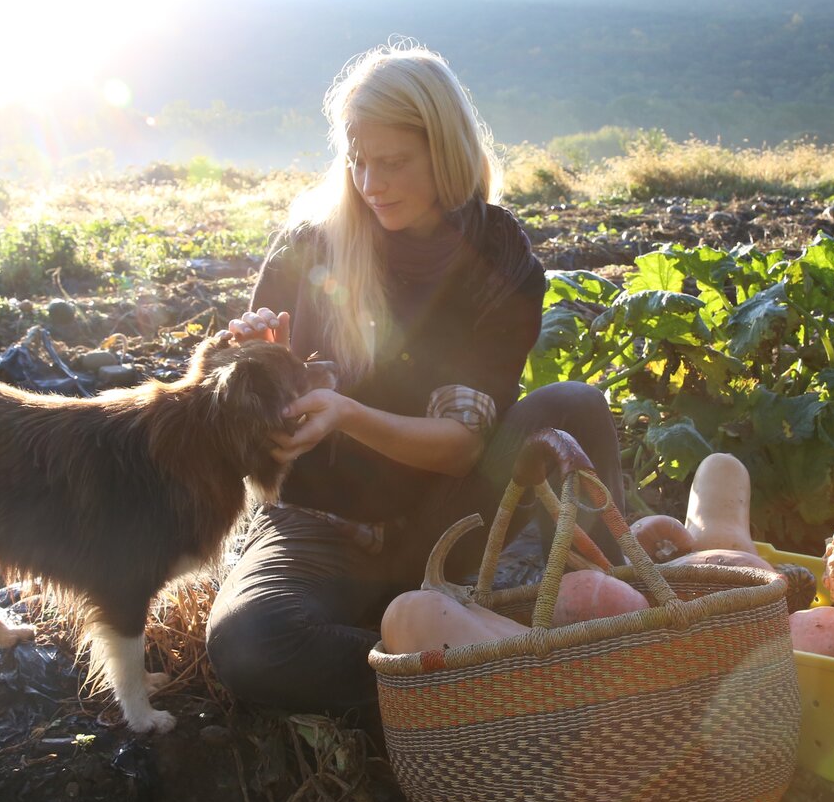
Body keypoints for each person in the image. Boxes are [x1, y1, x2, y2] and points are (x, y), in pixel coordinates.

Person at [205, 44, 626, 722]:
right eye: (357, 160)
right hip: (319, 530)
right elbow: (246, 453)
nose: (371, 181)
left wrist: (346, 413)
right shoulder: (308, 246)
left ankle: (497, 620)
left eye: (394, 162)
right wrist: (255, 375)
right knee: (248, 643)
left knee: (573, 407)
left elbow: (462, 446)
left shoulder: (496, 255)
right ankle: (487, 662)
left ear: (445, 150)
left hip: (448, 514)